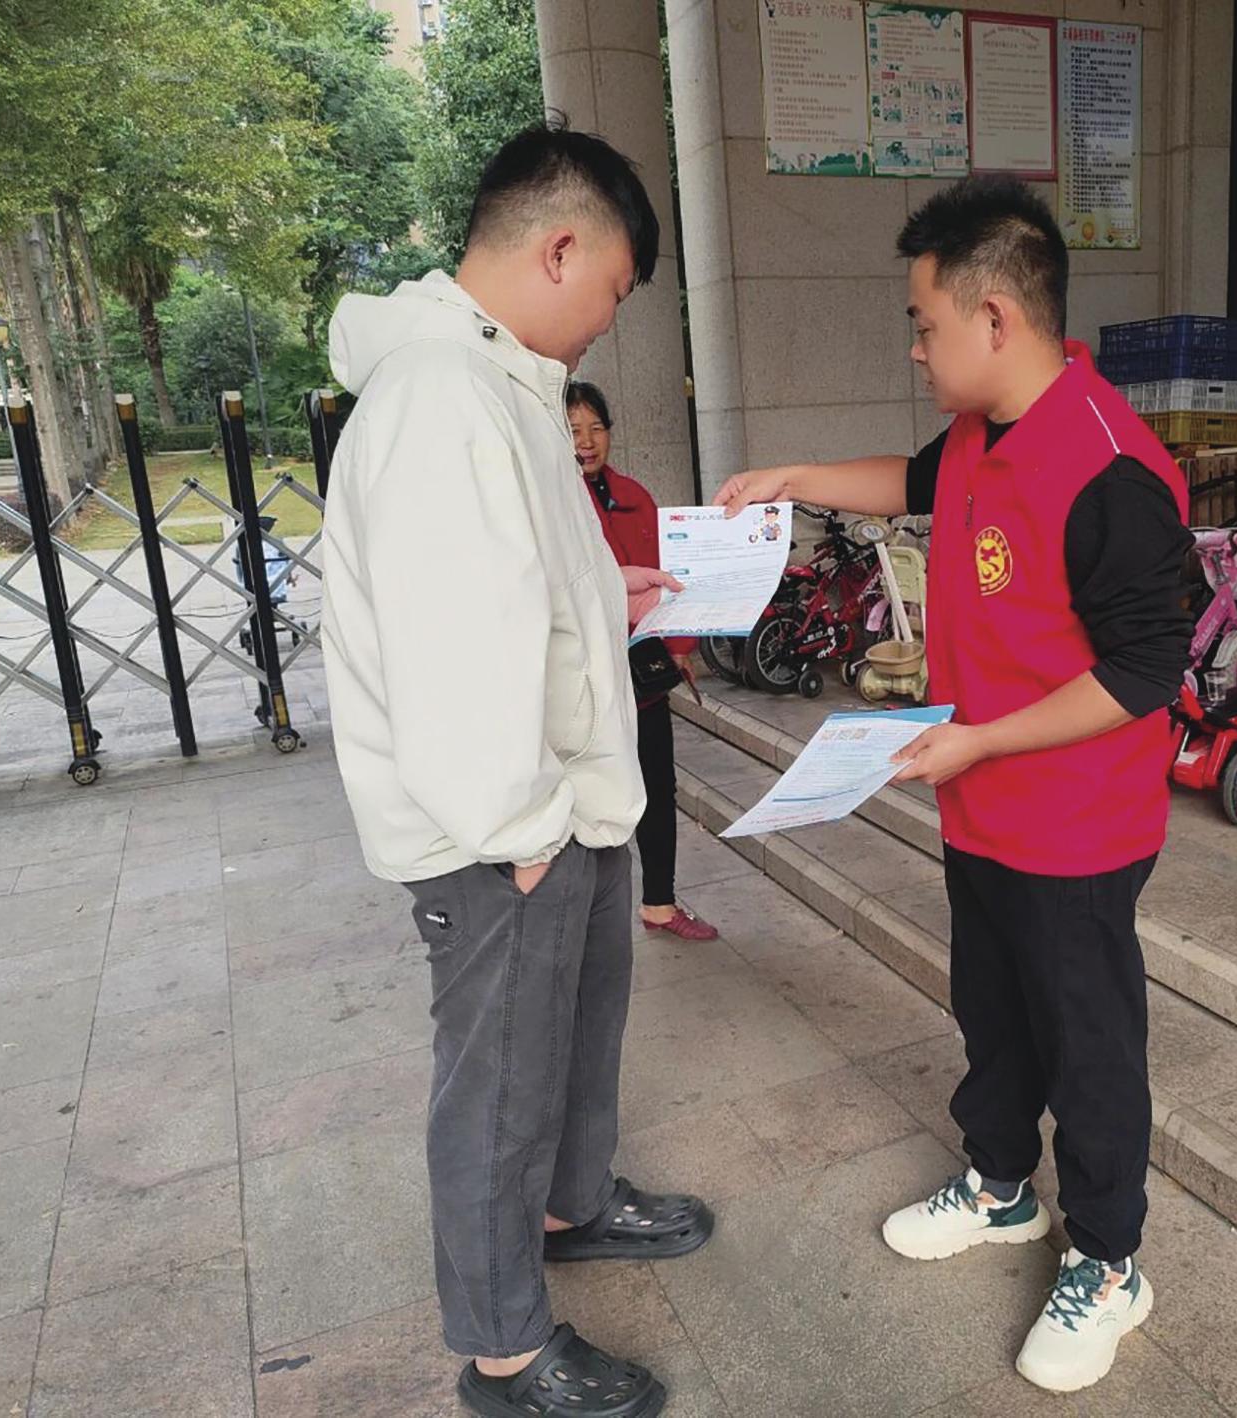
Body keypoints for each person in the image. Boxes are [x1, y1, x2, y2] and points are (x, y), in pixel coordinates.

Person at [714, 176, 1192, 1395]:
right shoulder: (985, 430)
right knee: (993, 1007)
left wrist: (982, 741)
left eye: (925, 325)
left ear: (995, 316)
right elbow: (913, 482)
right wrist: (791, 477)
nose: (917, 348)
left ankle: (1110, 1257)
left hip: (1077, 824)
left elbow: (1144, 673)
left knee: (1088, 1040)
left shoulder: (1110, 469)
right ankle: (999, 1184)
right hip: (982, 808)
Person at [318, 122, 713, 1418]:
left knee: (575, 1037)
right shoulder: (441, 397)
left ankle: (571, 1201)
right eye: (613, 289)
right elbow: (448, 647)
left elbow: (520, 587)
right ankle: (502, 1349)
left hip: (562, 804)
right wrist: (522, 829)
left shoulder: (506, 384)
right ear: (559, 248)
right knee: (496, 1082)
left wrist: (613, 595)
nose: (608, 320)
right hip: (500, 830)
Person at [567, 378, 721, 937]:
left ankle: (659, 903)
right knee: (587, 795)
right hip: (582, 678)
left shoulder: (635, 495)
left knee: (658, 785)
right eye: (573, 430)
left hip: (641, 671)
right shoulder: (555, 503)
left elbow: (668, 574)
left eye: (596, 428)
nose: (587, 441)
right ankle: (579, 918)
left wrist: (680, 648)